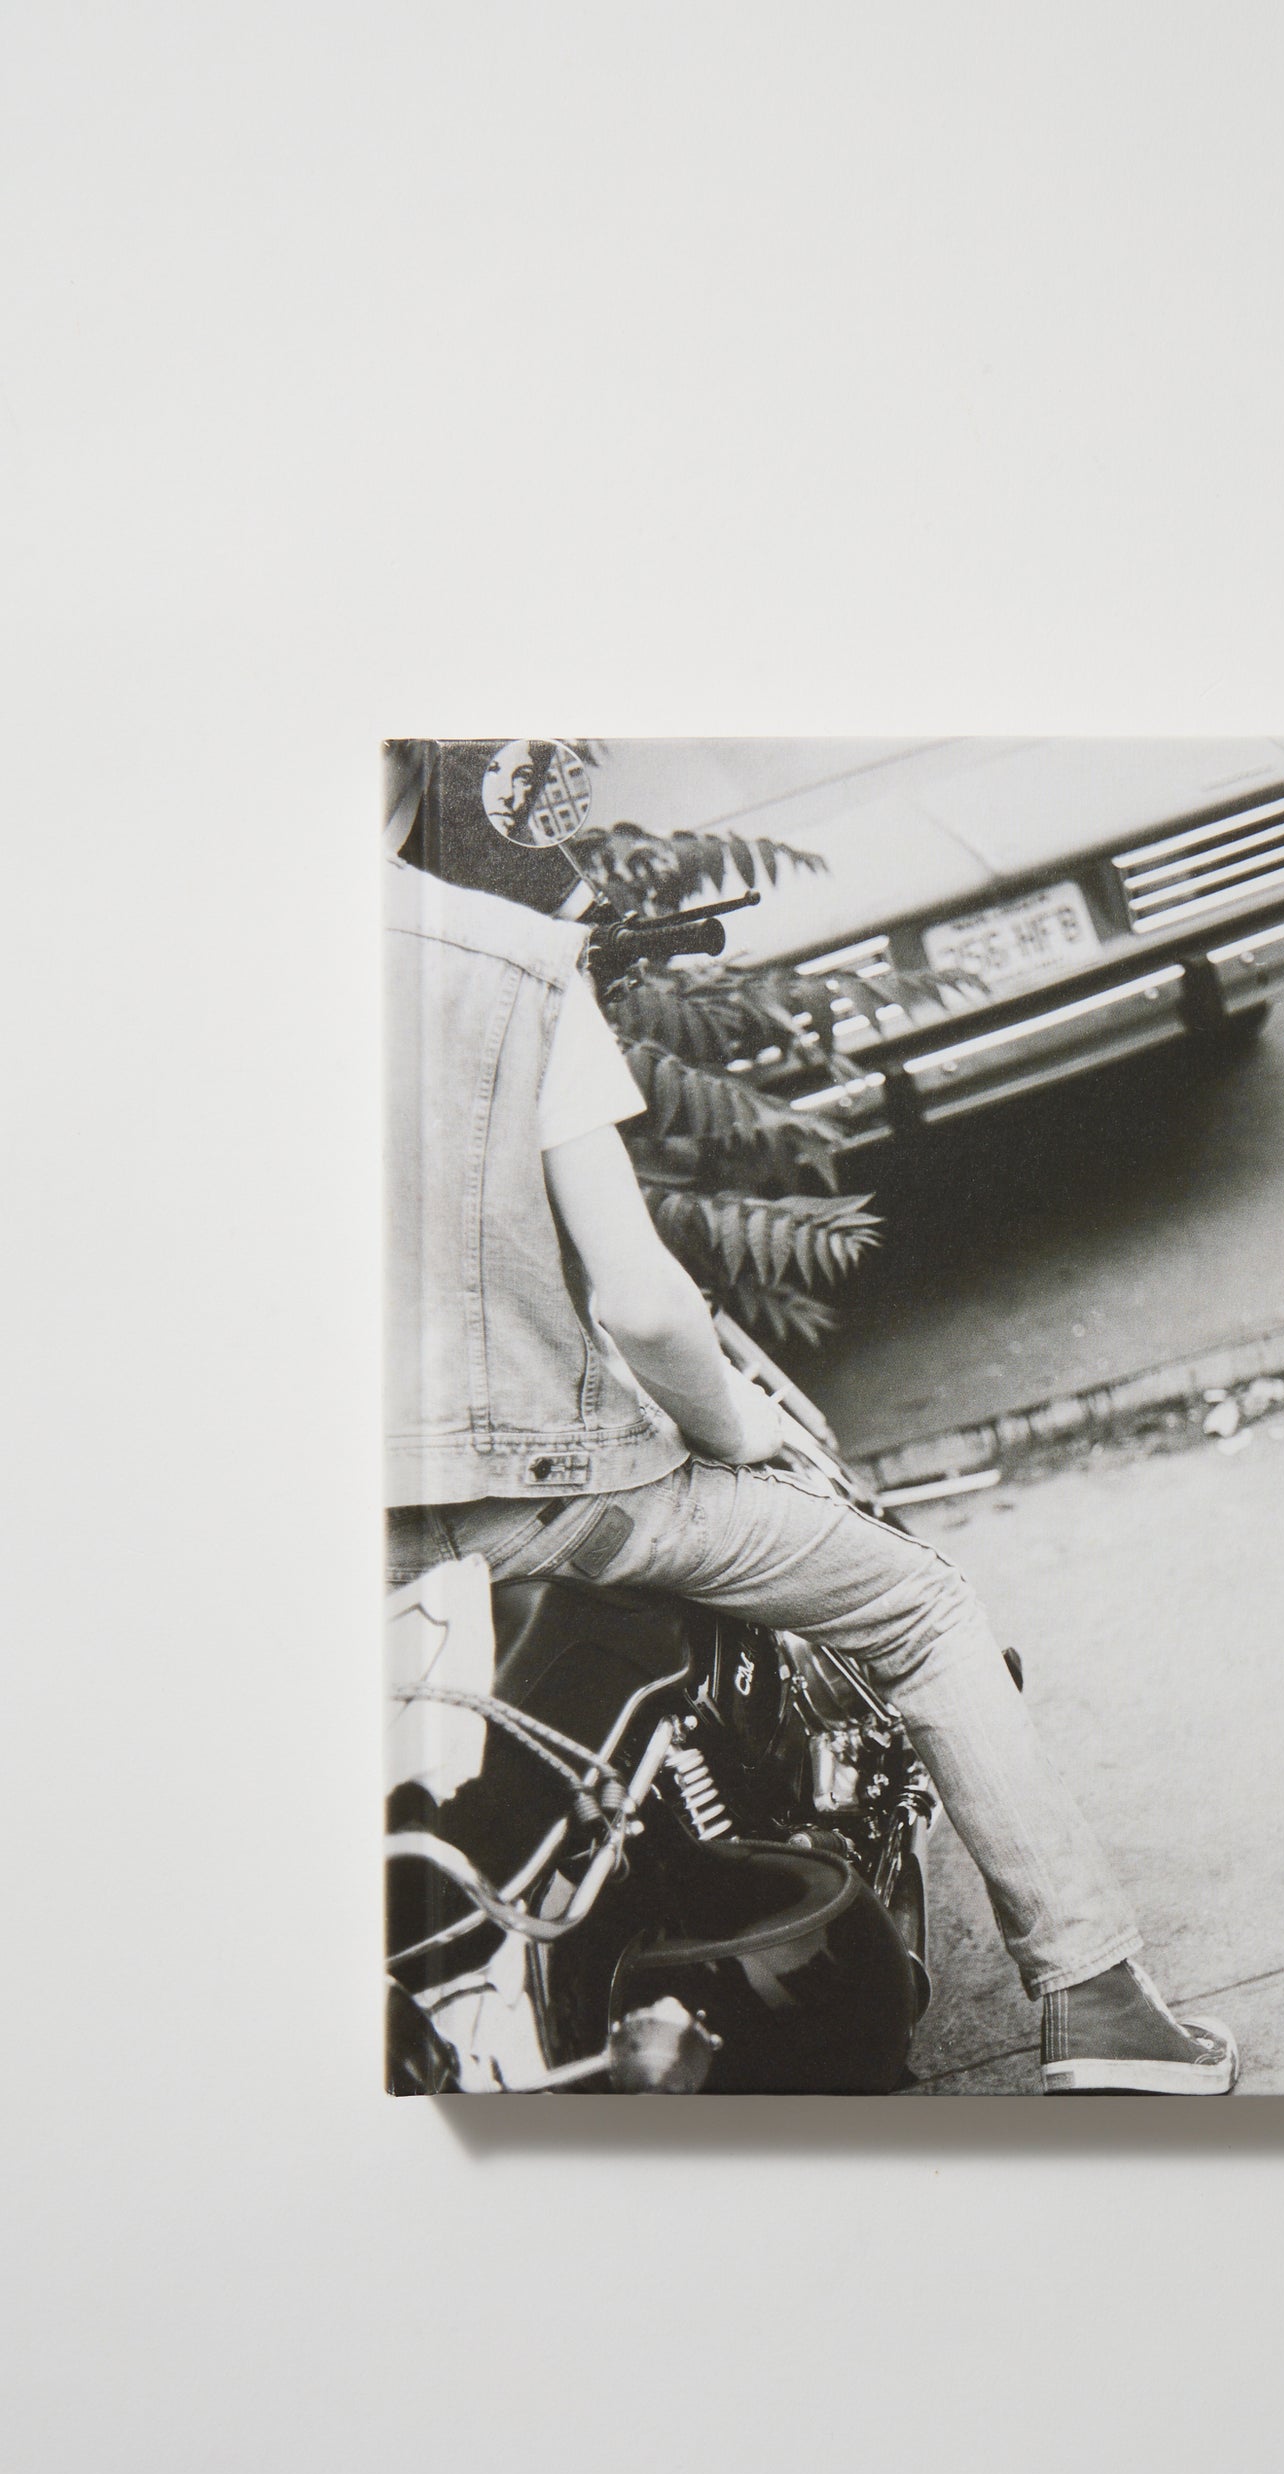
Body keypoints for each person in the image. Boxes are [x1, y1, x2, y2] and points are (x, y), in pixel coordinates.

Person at [382, 741, 1239, 2097]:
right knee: (921, 1607)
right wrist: (731, 1434)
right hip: (543, 1501)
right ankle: (1101, 2004)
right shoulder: (507, 962)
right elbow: (644, 1305)